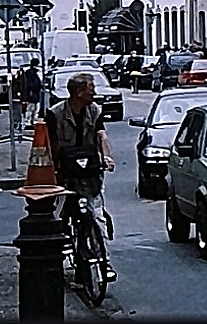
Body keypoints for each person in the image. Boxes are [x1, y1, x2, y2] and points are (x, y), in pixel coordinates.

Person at [45, 72, 117, 282]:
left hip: (89, 170)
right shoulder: (55, 113)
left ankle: (105, 262)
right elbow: (51, 144)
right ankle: (53, 257)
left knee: (96, 214)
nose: (94, 92)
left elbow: (101, 134)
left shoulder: (95, 111)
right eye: (91, 88)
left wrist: (106, 157)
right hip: (65, 172)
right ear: (79, 92)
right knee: (57, 214)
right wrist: (52, 170)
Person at [21, 58, 44, 124]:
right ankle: (28, 121)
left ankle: (30, 121)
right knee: (31, 108)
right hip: (32, 93)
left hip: (33, 93)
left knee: (33, 108)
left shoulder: (32, 72)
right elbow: (29, 84)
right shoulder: (30, 73)